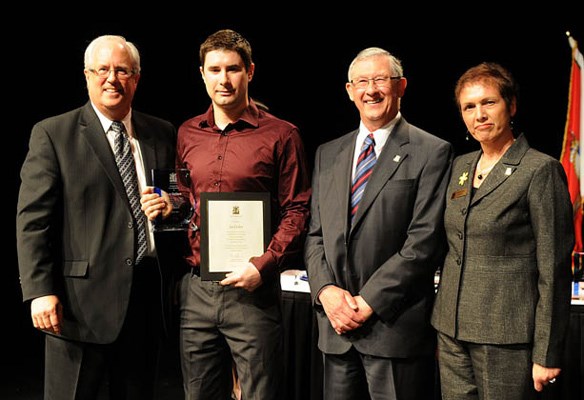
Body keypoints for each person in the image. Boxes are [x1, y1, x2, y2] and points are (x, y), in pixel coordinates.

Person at [142, 28, 311, 399]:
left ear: (250, 71)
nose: (224, 80)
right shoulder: (187, 132)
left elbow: (297, 209)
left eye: (232, 69)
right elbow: (186, 201)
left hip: (254, 290)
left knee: (260, 393)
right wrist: (170, 207)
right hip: (196, 287)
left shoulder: (282, 134)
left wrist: (264, 265)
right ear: (201, 74)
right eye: (214, 70)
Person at [16, 35, 177, 400]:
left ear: (136, 78)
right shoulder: (53, 134)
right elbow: (33, 220)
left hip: (146, 298)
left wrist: (173, 209)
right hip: (78, 306)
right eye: (102, 69)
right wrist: (40, 290)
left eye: (122, 70)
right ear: (87, 75)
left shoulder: (162, 133)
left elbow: (178, 202)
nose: (112, 78)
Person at [304, 47, 453, 400]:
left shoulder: (432, 151)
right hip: (336, 331)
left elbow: (424, 243)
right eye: (362, 82)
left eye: (380, 80)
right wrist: (326, 293)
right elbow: (315, 236)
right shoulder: (328, 152)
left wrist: (367, 302)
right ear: (349, 90)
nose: (371, 90)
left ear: (401, 86)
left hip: (394, 328)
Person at [431, 62, 575, 399]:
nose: (479, 114)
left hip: (506, 336)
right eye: (469, 107)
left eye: (488, 102)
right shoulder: (460, 166)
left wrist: (546, 353)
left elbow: (553, 269)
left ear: (511, 106)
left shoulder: (539, 170)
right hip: (451, 330)